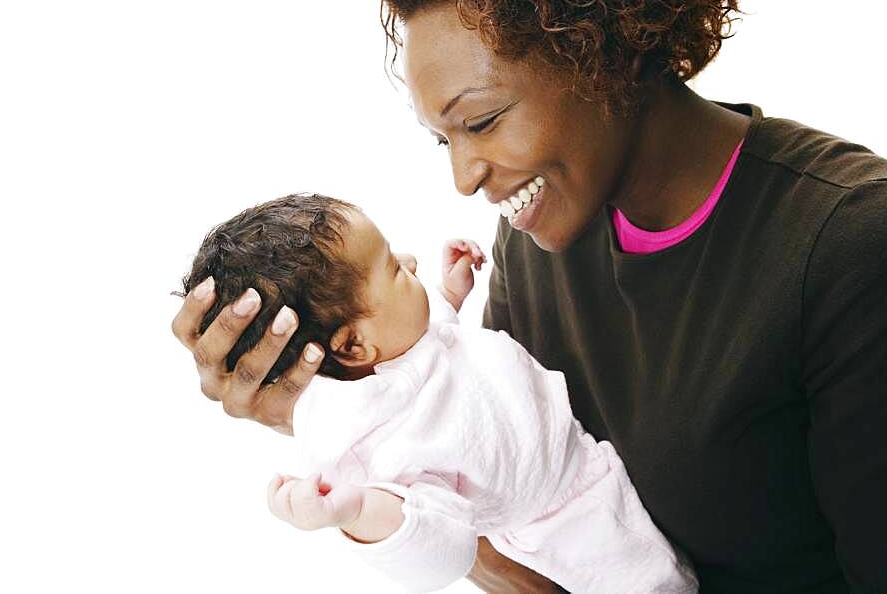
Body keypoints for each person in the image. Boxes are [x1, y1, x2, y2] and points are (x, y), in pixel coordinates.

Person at [171, 0, 887, 591]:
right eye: (442, 139)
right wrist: (342, 419)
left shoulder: (849, 247)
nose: (463, 178)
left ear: (603, 48)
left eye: (479, 121)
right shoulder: (535, 235)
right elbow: (516, 509)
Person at [177, 193, 697, 592]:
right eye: (392, 270)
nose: (410, 262)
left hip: (578, 447)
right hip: (559, 512)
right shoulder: (370, 442)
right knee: (651, 579)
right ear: (354, 345)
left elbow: (436, 348)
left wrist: (451, 291)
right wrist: (358, 513)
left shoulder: (398, 344)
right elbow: (442, 547)